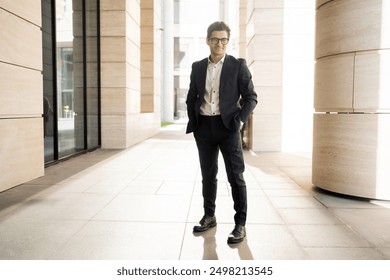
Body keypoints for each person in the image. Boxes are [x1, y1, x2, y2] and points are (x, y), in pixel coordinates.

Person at [186, 21, 258, 244]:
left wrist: (239, 122)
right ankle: (209, 216)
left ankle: (240, 224)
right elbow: (191, 96)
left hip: (228, 127)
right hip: (204, 128)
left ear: (228, 41)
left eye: (224, 39)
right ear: (208, 40)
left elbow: (251, 97)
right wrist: (194, 122)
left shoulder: (238, 65)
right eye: (215, 39)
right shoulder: (197, 67)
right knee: (208, 175)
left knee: (235, 176)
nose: (219, 43)